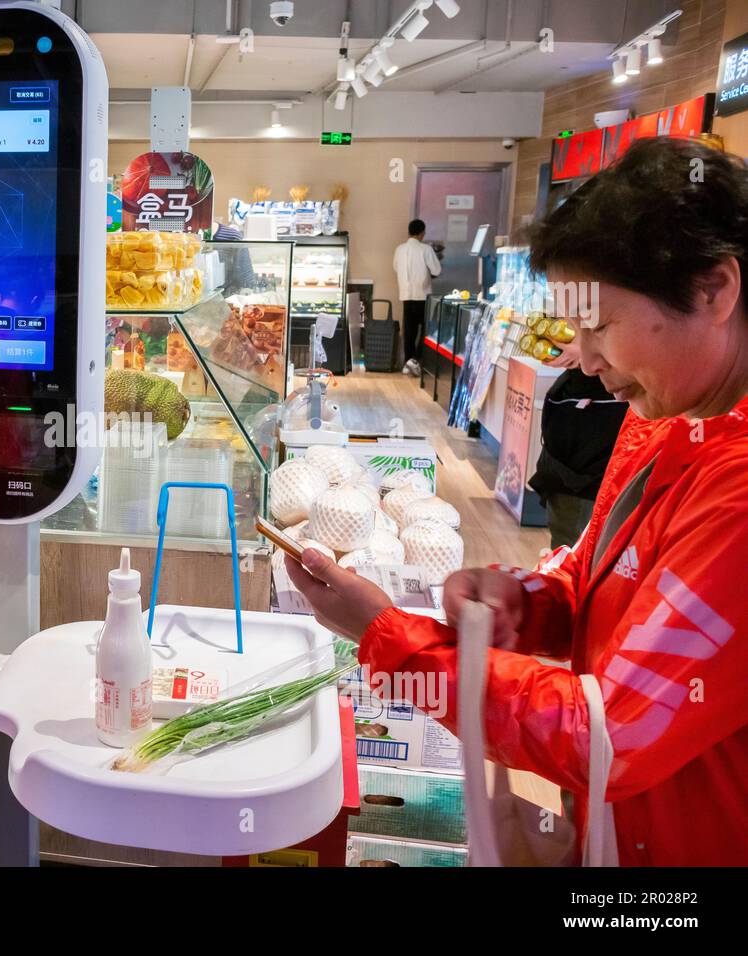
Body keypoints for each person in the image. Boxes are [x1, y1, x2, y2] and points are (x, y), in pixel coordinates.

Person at [286, 137, 748, 865]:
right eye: (572, 327)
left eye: (599, 325)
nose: (586, 360)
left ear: (715, 290)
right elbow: (605, 575)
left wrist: (387, 637)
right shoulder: (666, 415)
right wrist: (525, 600)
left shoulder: (737, 492)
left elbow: (605, 737)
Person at [528, 340, 627, 548]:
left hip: (591, 469)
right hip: (569, 463)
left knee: (578, 552)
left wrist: (585, 353)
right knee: (567, 545)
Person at [393, 218, 441, 376]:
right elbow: (436, 271)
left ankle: (408, 363)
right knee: (426, 330)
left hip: (406, 295)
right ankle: (416, 361)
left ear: (409, 232)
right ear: (422, 233)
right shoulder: (426, 249)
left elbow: (395, 267)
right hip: (423, 295)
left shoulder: (400, 249)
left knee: (409, 331)